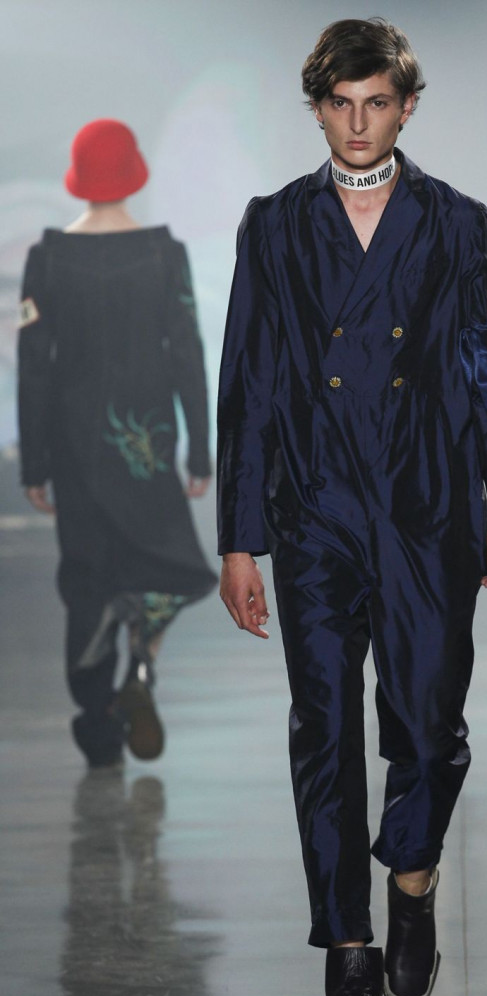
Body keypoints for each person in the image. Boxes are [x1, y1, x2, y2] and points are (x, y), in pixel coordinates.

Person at [217, 18, 487, 996]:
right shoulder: (273, 224)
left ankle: (411, 880)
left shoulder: (459, 222)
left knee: (429, 729)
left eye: (377, 104)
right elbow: (248, 381)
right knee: (322, 731)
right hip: (314, 514)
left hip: (428, 508)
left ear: (406, 107)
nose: (358, 124)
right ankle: (348, 963)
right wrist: (241, 540)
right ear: (318, 109)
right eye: (340, 105)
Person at [18, 119, 216, 769]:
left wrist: (34, 464)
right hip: (146, 442)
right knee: (164, 564)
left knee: (87, 576)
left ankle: (97, 726)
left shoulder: (47, 259)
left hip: (75, 447)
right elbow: (187, 354)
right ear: (134, 173)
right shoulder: (164, 254)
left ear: (77, 178)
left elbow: (34, 367)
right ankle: (142, 666)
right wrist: (199, 450)